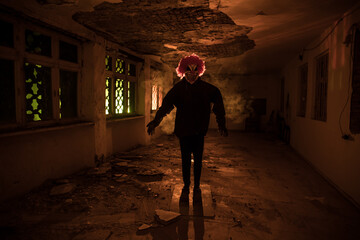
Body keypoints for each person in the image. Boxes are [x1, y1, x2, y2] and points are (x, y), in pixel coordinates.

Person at [147, 53, 228, 192]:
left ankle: (196, 185)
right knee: (185, 160)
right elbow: (166, 106)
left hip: (199, 131)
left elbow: (219, 105)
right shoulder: (178, 89)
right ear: (183, 71)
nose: (192, 73)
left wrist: (221, 123)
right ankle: (186, 185)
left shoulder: (209, 89)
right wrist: (155, 121)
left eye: (195, 70)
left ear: (199, 71)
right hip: (183, 131)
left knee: (198, 161)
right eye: (189, 70)